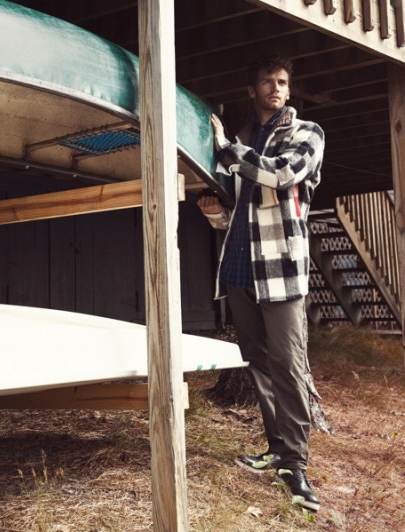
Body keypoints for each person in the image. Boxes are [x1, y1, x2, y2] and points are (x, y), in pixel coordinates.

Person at [197, 54, 325, 512]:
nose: (276, 87)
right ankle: (277, 449)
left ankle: (296, 464)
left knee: (289, 365)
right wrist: (216, 210)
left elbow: (280, 175)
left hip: (283, 269)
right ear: (252, 90)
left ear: (290, 90)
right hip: (239, 267)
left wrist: (227, 150)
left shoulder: (307, 134)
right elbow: (240, 214)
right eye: (267, 81)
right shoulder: (248, 139)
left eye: (283, 81)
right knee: (257, 362)